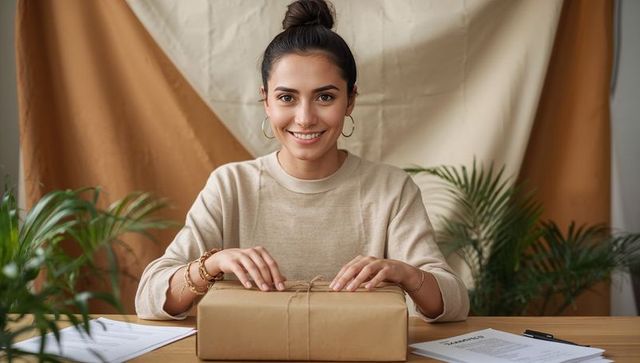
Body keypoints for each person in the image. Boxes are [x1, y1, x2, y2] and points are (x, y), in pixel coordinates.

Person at [135, 0, 469, 322]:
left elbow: (455, 304)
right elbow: (149, 298)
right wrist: (211, 264)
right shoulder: (230, 186)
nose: (305, 118)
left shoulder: (391, 190)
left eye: (325, 97)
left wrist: (406, 274)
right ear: (266, 100)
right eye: (287, 98)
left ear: (350, 99)